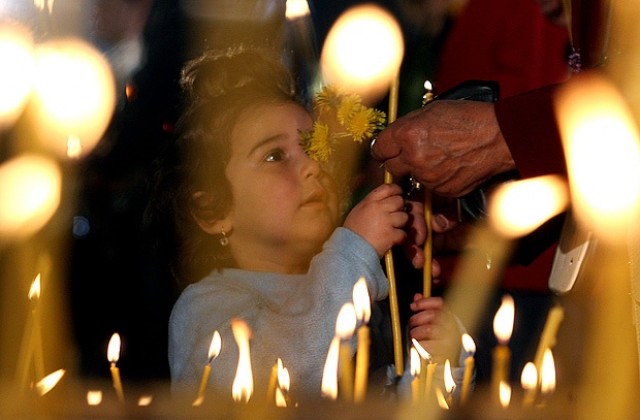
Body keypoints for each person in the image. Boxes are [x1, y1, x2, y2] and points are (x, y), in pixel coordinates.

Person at [145, 44, 469, 401]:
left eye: (314, 148)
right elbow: (283, 378)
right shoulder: (205, 308)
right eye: (274, 155)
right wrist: (354, 250)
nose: (313, 166)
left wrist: (436, 367)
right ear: (212, 211)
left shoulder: (348, 287)